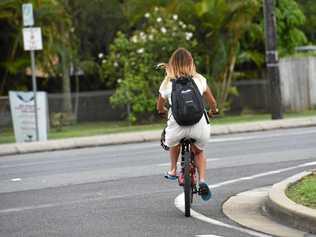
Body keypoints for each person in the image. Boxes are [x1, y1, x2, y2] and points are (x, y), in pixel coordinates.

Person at [156, 48, 218, 201]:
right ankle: (202, 180)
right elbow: (212, 102)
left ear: (172, 64)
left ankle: (172, 170)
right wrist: (214, 110)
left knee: (174, 143)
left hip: (177, 126)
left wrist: (163, 111)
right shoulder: (199, 80)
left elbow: (159, 107)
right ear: (191, 63)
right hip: (199, 126)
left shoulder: (167, 83)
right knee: (198, 152)